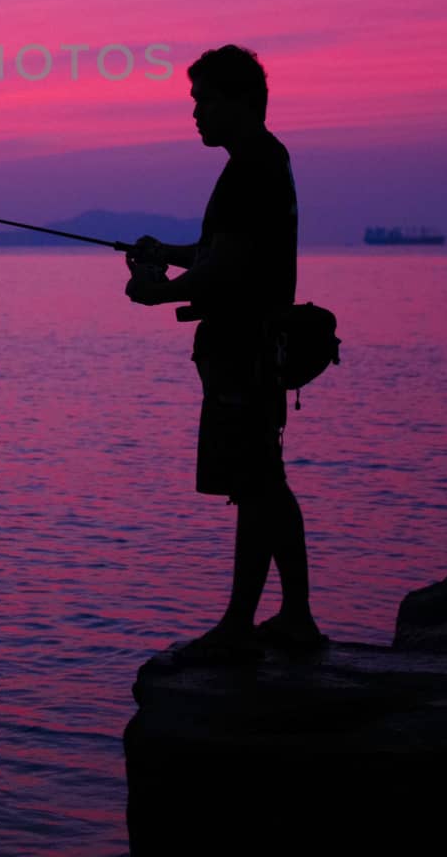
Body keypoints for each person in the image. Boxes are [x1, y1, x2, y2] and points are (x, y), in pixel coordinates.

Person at [124, 44, 328, 664]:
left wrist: (156, 292)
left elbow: (226, 272)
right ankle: (291, 615)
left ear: (241, 102)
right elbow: (223, 252)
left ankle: (243, 623)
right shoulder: (268, 159)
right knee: (265, 482)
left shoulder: (249, 172)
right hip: (258, 347)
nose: (195, 112)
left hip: (243, 351)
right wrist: (174, 251)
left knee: (258, 484)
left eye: (204, 99)